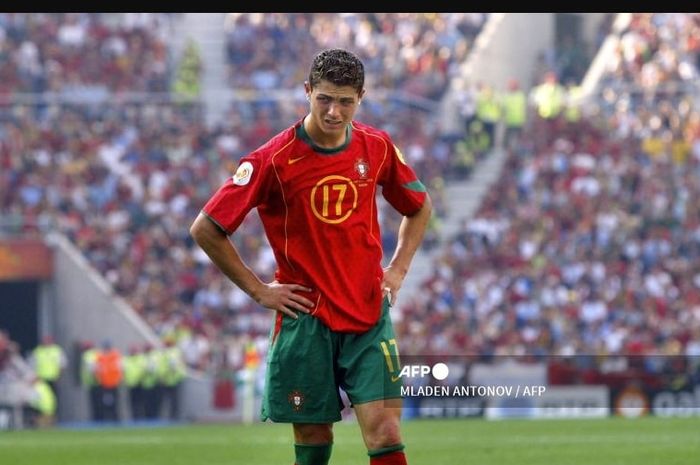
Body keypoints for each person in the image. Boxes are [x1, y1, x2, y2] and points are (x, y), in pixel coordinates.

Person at [190, 48, 432, 465]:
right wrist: (259, 291)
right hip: (308, 321)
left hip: (368, 315)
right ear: (307, 92)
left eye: (345, 101)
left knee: (386, 431)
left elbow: (419, 206)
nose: (334, 112)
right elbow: (206, 228)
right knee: (315, 440)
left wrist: (398, 269)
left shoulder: (376, 146)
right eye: (324, 99)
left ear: (361, 97)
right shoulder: (273, 159)